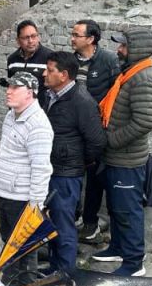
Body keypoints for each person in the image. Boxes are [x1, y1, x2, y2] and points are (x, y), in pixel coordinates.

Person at [92, 29, 152, 277]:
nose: (119, 50)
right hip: (117, 157)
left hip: (127, 159)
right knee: (116, 208)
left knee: (128, 211)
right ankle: (119, 248)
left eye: (123, 46)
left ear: (137, 49)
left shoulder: (143, 78)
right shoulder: (129, 73)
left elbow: (143, 122)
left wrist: (110, 140)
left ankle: (133, 262)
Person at [41, 52, 105, 274]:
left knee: (64, 225)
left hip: (66, 173)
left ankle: (65, 275)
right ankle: (54, 269)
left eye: (50, 70)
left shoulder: (82, 101)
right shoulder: (49, 95)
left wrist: (77, 161)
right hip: (49, 169)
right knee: (50, 222)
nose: (44, 74)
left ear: (64, 75)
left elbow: (97, 141)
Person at [0, 71, 53, 284]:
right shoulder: (11, 116)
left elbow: (41, 168)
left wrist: (35, 204)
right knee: (8, 240)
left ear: (30, 93)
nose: (8, 91)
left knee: (25, 247)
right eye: (8, 87)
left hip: (22, 198)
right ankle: (9, 281)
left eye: (15, 87)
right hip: (5, 192)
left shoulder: (38, 125)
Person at [70, 19, 120, 242]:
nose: (72, 39)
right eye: (72, 34)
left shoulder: (108, 60)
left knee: (94, 180)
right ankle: (72, 218)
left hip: (96, 131)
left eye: (76, 35)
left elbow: (117, 93)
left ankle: (90, 224)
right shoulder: (70, 62)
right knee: (70, 177)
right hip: (72, 131)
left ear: (90, 39)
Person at [6, 19, 54, 90]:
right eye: (26, 38)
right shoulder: (12, 60)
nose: (30, 41)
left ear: (38, 37)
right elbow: (12, 87)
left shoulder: (50, 57)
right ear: (18, 41)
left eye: (33, 36)